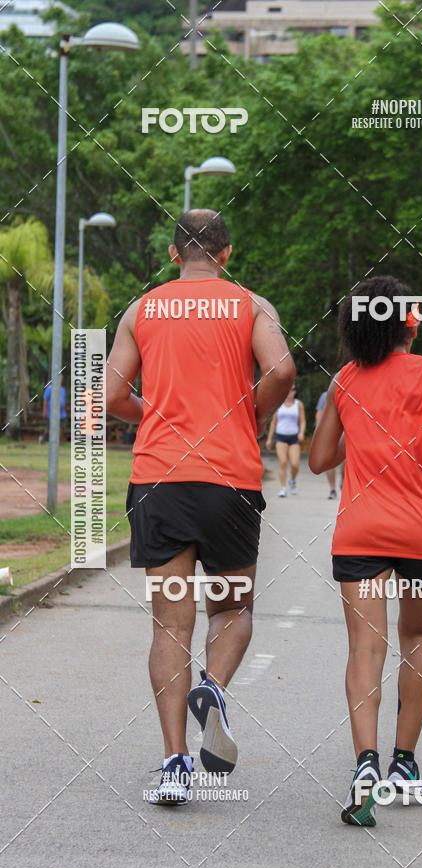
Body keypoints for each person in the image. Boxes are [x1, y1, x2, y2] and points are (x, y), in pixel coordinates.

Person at [106, 209, 295, 805]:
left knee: (169, 623)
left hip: (159, 478)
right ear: (226, 253)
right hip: (228, 478)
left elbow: (111, 394)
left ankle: (173, 763)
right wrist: (250, 414)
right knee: (232, 610)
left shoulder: (141, 310)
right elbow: (284, 369)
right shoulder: (251, 305)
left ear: (172, 253)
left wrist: (154, 413)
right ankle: (212, 687)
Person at [309, 275, 422, 827]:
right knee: (417, 636)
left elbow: (318, 459)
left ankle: (364, 765)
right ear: (411, 322)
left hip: (361, 531)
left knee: (364, 648)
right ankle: (404, 763)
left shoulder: (345, 382)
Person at [265, 385, 306, 497]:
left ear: (295, 392)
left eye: (292, 390)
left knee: (295, 464)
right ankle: (283, 488)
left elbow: (302, 421)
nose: (289, 393)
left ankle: (292, 481)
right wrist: (269, 439)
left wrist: (301, 432)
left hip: (293, 437)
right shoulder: (279, 404)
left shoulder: (298, 404)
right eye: (288, 390)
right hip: (280, 436)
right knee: (283, 462)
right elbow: (274, 422)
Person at [315, 390, 338, 499]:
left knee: (345, 464)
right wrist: (319, 430)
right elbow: (319, 412)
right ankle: (332, 489)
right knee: (330, 461)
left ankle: (344, 483)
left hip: (347, 433)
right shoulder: (326, 395)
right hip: (331, 432)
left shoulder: (353, 390)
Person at [40, 375, 67, 442]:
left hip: (61, 414)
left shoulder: (63, 389)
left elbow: (63, 401)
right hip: (51, 413)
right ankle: (42, 439)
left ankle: (56, 442)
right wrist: (44, 411)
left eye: (61, 379)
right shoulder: (50, 388)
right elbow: (45, 400)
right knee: (49, 429)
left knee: (61, 427)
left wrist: (64, 410)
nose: (60, 380)